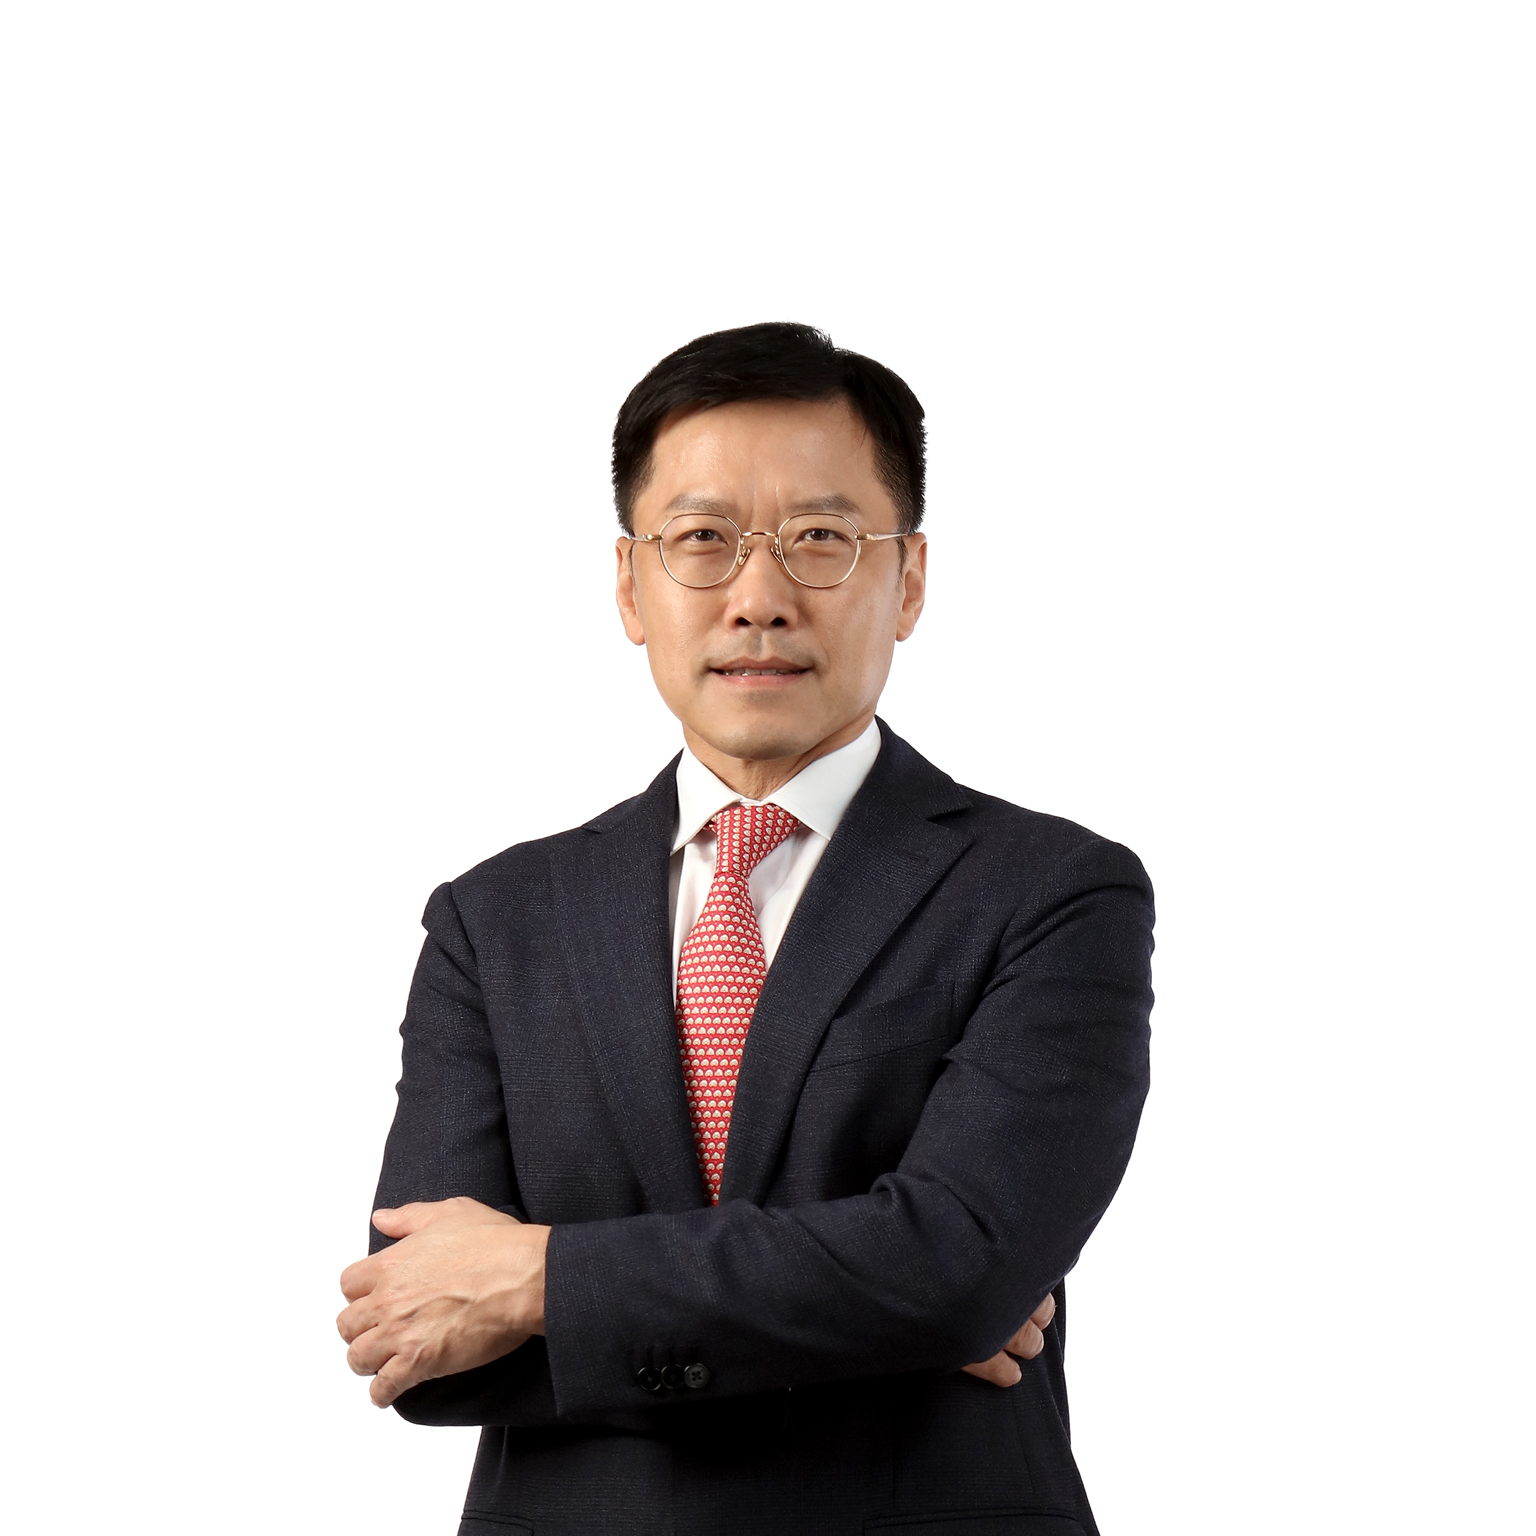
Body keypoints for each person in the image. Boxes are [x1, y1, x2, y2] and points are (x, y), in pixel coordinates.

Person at [337, 322, 1155, 1536]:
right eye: (703, 541)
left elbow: (962, 1265)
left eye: (822, 540)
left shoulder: (1052, 893)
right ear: (631, 584)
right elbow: (422, 1339)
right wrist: (878, 1308)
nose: (760, 596)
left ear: (910, 578)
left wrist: (540, 1280)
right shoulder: (493, 922)